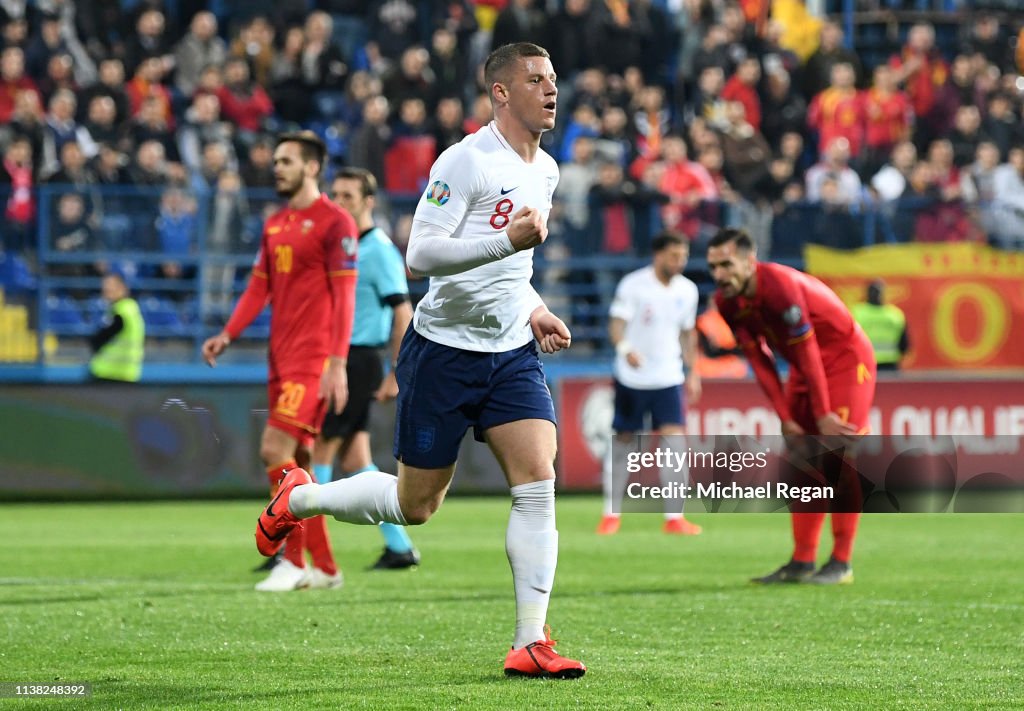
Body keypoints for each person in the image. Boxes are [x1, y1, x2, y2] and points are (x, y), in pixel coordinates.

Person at [254, 42, 586, 678]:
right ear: (500, 92)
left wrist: (535, 306)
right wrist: (505, 241)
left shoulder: (546, 168)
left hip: (511, 350)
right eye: (537, 80)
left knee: (538, 484)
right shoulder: (464, 162)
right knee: (416, 506)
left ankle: (530, 641)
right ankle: (300, 499)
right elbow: (423, 257)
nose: (551, 91)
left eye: (553, 79)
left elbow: (516, 268)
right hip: (443, 352)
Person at [202, 131, 358, 592]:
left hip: (313, 359)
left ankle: (291, 561)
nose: (277, 168)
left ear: (312, 167)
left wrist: (336, 361)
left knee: (274, 450)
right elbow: (258, 287)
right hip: (280, 357)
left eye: (286, 161)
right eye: (275, 161)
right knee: (301, 464)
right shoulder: (275, 224)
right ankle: (326, 568)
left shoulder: (335, 223)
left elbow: (345, 295)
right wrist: (228, 334)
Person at [707, 228, 876, 585]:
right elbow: (760, 359)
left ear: (750, 262)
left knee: (837, 455)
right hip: (805, 366)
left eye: (727, 265)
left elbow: (810, 349)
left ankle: (841, 561)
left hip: (845, 360)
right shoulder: (727, 302)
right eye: (713, 267)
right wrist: (785, 416)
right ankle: (802, 561)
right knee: (802, 461)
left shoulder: (780, 286)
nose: (720, 275)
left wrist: (823, 413)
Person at [312, 167, 420, 570]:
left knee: (318, 448)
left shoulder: (378, 251)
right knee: (357, 460)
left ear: (368, 202)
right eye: (334, 195)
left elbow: (402, 312)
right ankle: (400, 547)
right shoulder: (343, 246)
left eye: (348, 197)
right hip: (345, 357)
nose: (339, 203)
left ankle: (305, 546)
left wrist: (396, 371)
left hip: (358, 360)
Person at [597, 231, 703, 536]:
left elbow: (687, 333)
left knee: (674, 444)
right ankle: (611, 514)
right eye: (674, 255)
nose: (679, 261)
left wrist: (692, 371)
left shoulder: (688, 290)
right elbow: (616, 325)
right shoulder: (634, 284)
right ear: (658, 255)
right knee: (624, 443)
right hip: (632, 378)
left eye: (683, 256)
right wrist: (625, 350)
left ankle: (674, 517)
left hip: (668, 377)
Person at [89, 272, 145, 382]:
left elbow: (100, 338)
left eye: (110, 287)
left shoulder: (122, 311)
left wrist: (94, 341)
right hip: (126, 374)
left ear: (122, 288)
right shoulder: (131, 308)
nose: (105, 290)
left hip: (111, 374)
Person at [851, 280, 908, 372]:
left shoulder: (857, 313)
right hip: (888, 365)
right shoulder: (895, 315)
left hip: (866, 363)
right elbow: (904, 346)